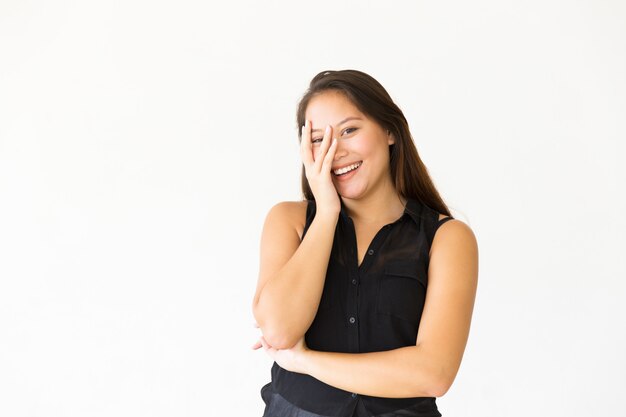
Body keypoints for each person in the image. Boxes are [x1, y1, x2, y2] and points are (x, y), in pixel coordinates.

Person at [251, 69, 479, 417]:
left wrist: (305, 361)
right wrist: (326, 213)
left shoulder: (446, 239)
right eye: (317, 139)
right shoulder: (289, 222)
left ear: (389, 131)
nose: (334, 151)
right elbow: (279, 330)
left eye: (349, 130)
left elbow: (434, 373)